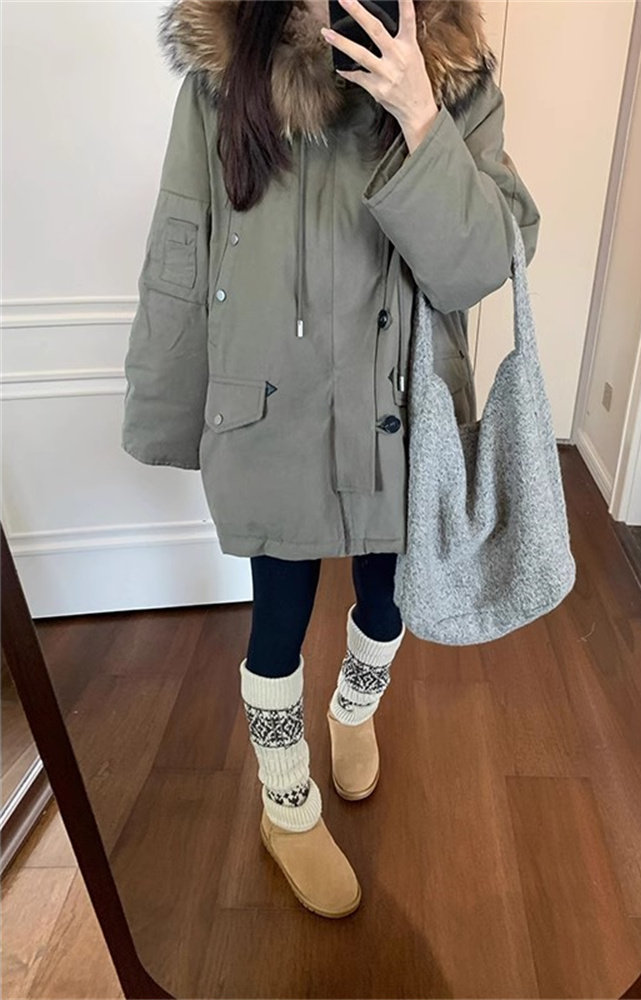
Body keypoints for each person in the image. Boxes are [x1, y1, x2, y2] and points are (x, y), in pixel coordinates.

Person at [121, 0, 541, 919]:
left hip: (400, 409)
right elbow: (182, 240)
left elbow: (484, 264)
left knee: (387, 601)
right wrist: (169, 410)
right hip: (270, 404)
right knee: (277, 621)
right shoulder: (226, 60)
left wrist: (420, 113)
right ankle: (285, 807)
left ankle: (354, 709)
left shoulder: (454, 73)